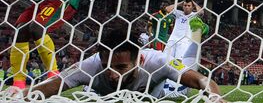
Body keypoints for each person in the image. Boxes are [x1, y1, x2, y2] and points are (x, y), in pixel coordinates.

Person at [5, 28, 227, 102]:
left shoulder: (157, 61)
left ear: (138, 60)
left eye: (120, 68)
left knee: (180, 89)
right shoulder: (90, 65)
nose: (112, 74)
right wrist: (19, 96)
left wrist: (215, 97)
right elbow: (52, 86)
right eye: (107, 66)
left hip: (159, 93)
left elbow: (201, 79)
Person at [163, 0, 208, 97]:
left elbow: (202, 12)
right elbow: (167, 9)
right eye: (185, 5)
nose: (186, 7)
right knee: (165, 61)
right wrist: (180, 3)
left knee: (178, 63)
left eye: (189, 6)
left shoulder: (193, 15)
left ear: (192, 7)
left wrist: (194, 2)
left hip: (184, 41)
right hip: (172, 40)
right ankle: (165, 86)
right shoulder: (178, 13)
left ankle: (177, 88)